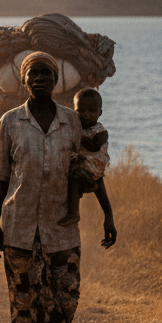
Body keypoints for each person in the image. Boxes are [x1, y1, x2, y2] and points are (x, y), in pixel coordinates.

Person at [0, 52, 117, 323]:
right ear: (25, 81)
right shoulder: (10, 122)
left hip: (61, 228)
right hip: (18, 227)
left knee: (66, 296)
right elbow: (0, 175)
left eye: (47, 74)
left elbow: (92, 167)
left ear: (56, 81)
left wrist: (107, 215)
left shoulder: (73, 122)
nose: (40, 79)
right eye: (34, 74)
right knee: (24, 303)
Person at [59, 88, 114, 227]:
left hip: (94, 164)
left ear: (99, 113)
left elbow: (94, 146)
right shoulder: (76, 127)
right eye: (81, 111)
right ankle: (84, 193)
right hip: (83, 162)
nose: (86, 115)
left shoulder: (100, 131)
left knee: (75, 176)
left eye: (91, 111)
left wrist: (80, 138)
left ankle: (74, 213)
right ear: (74, 110)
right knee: (72, 178)